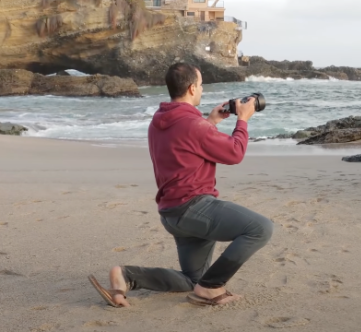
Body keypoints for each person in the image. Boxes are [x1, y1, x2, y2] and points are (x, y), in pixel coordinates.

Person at [88, 63, 272, 307]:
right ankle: (211, 288)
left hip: (172, 213)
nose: (203, 90)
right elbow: (234, 153)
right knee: (260, 228)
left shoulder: (160, 119)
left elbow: (186, 146)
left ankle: (126, 276)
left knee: (191, 280)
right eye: (202, 85)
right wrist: (243, 120)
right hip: (194, 207)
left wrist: (211, 122)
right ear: (192, 87)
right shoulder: (193, 125)